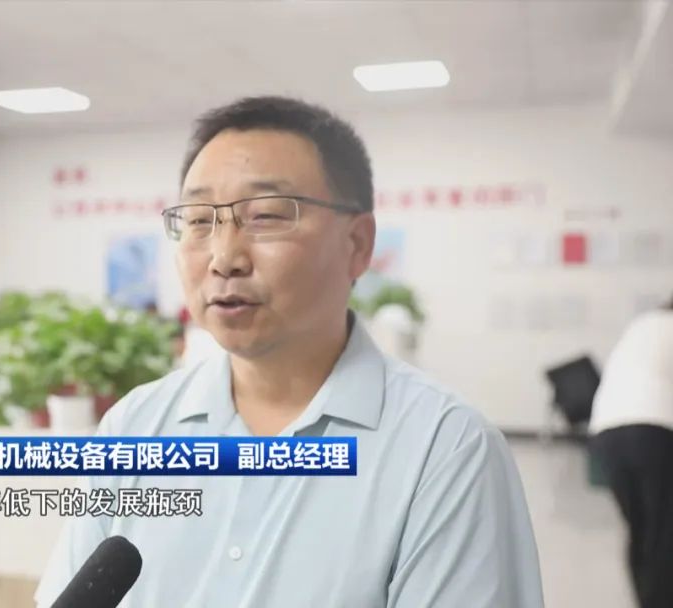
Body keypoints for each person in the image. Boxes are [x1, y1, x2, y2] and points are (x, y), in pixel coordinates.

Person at [35, 96, 543, 607]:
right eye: (199, 220)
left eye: (266, 215)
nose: (224, 258)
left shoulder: (445, 448)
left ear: (357, 244)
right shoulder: (135, 426)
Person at [589, 294, 673, 608]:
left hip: (606, 432)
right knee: (662, 532)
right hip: (653, 430)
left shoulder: (643, 324)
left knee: (641, 527)